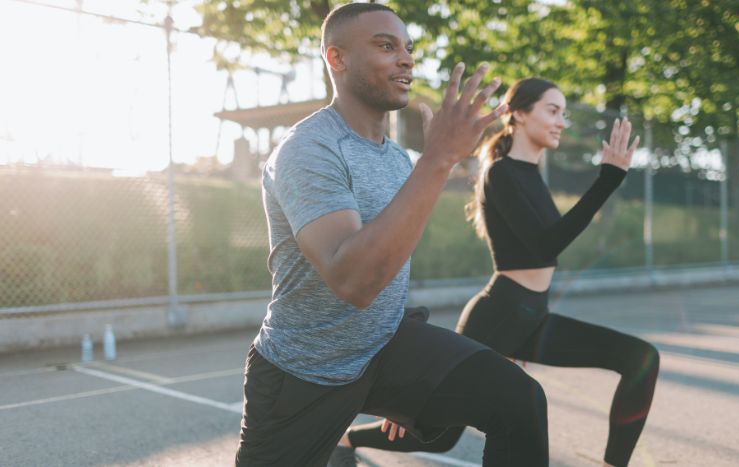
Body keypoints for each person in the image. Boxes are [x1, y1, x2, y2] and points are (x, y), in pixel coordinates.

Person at [236, 4, 552, 466]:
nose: (406, 59)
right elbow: (354, 281)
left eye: (408, 48)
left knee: (518, 399)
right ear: (337, 59)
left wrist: (414, 386)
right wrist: (438, 159)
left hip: (383, 348)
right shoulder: (307, 151)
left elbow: (391, 261)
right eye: (386, 46)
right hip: (304, 372)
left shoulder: (397, 159)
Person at [337, 78, 660, 467]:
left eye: (564, 113)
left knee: (640, 357)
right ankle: (347, 439)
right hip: (499, 315)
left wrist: (609, 178)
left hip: (532, 317)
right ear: (519, 114)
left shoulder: (531, 173)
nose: (561, 121)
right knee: (440, 435)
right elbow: (544, 246)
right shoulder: (501, 173)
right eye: (552, 110)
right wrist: (607, 178)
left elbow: (547, 244)